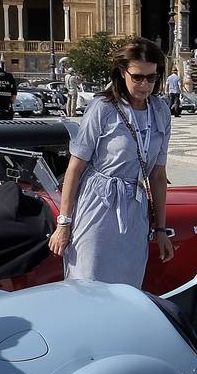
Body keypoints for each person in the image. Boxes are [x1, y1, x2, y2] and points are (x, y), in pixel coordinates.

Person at [47, 38, 174, 287]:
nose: (145, 84)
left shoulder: (160, 111)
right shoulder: (103, 108)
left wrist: (161, 230)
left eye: (152, 78)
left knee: (127, 285)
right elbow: (75, 168)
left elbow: (158, 175)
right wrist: (64, 223)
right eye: (137, 77)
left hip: (134, 210)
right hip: (98, 204)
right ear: (121, 71)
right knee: (88, 280)